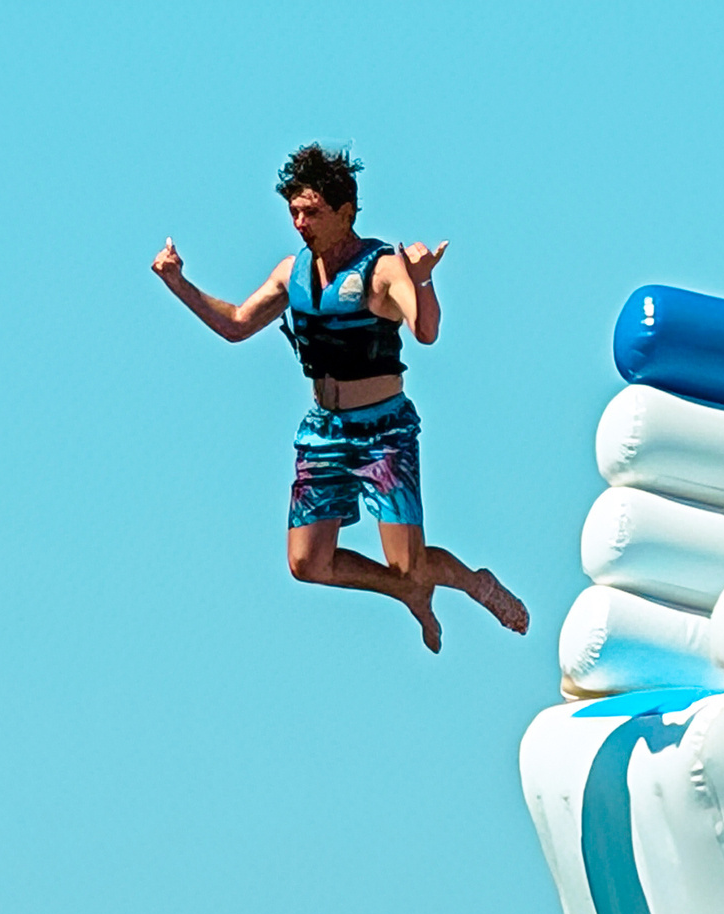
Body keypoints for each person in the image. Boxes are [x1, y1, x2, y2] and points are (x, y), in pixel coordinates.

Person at [151, 143, 528, 653]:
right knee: (307, 563)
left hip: (383, 433)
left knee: (408, 560)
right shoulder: (293, 273)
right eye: (294, 213)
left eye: (311, 212)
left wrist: (422, 280)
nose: (300, 223)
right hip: (324, 431)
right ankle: (406, 592)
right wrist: (178, 282)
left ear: (345, 212)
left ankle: (472, 581)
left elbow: (426, 330)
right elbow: (237, 325)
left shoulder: (382, 268)